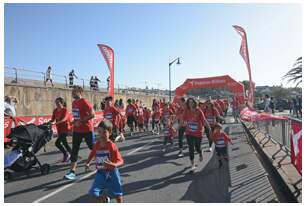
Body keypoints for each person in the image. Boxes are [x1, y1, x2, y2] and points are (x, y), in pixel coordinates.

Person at [86, 120, 124, 203]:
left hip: (112, 173)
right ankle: (105, 200)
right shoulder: (97, 144)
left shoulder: (112, 146)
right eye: (99, 132)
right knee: (93, 193)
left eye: (104, 132)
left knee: (117, 193)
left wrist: (114, 164)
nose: (102, 135)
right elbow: (92, 153)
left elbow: (121, 160)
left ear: (109, 132)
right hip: (101, 173)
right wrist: (88, 162)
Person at [64, 86, 95, 180]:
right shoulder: (74, 103)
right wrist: (73, 122)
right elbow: (77, 116)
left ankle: (104, 158)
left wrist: (80, 121)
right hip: (77, 130)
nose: (72, 93)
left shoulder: (84, 102)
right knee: (74, 150)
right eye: (72, 92)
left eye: (74, 92)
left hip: (87, 129)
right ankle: (72, 172)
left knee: (92, 147)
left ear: (80, 92)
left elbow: (92, 114)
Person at [182, 97, 211, 172]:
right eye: (189, 102)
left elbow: (204, 121)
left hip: (198, 132)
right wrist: (177, 129)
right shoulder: (186, 111)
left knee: (197, 148)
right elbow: (182, 120)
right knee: (191, 148)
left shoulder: (199, 111)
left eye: (192, 102)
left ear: (195, 103)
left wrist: (209, 128)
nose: (190, 104)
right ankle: (193, 165)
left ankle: (200, 153)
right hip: (189, 132)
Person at [48, 97, 72, 162]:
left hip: (65, 128)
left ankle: (67, 154)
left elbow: (64, 119)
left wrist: (56, 122)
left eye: (58, 103)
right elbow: (52, 119)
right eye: (56, 103)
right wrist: (48, 123)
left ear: (62, 103)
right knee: (64, 143)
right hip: (59, 129)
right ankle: (71, 154)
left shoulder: (65, 110)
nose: (57, 104)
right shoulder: (55, 110)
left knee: (57, 143)